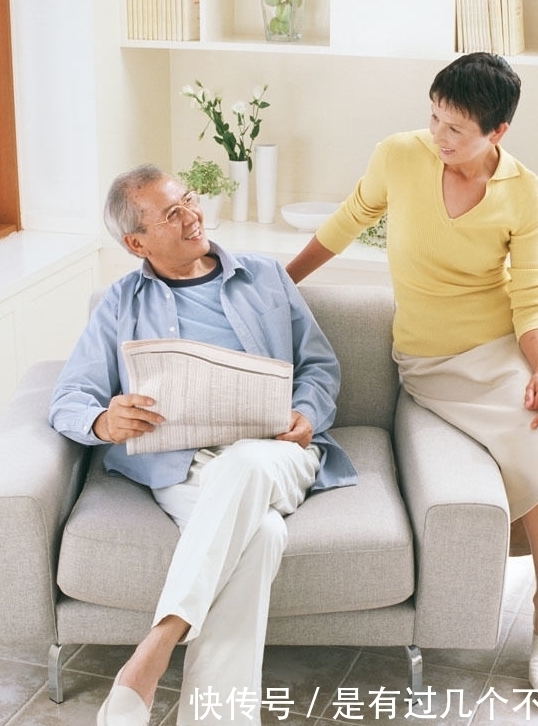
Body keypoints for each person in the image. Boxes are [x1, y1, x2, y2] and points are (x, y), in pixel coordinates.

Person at [286, 52, 538, 698]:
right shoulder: (400, 156)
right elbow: (345, 222)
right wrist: (278, 284)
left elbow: (530, 296)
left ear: (497, 133)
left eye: (455, 130)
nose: (438, 137)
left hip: (498, 350)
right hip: (430, 362)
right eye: (434, 118)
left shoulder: (522, 190)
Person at [49, 164, 357, 726]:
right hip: (183, 468)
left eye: (188, 200)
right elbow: (69, 397)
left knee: (246, 463)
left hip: (276, 453)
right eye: (171, 213)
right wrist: (103, 422)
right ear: (136, 242)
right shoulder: (121, 304)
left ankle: (156, 648)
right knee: (262, 534)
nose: (192, 216)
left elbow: (319, 365)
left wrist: (306, 413)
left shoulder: (265, 276)